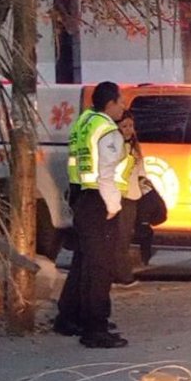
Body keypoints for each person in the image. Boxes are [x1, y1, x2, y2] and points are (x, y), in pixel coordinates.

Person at [54, 81, 129, 348]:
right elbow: (106, 173)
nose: (124, 107)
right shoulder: (108, 130)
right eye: (121, 102)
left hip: (81, 197)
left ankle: (68, 317)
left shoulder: (84, 121)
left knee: (83, 263)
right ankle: (95, 329)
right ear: (110, 103)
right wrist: (113, 206)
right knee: (99, 267)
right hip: (99, 201)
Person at [111, 110, 145, 289]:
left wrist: (146, 190)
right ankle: (122, 277)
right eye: (124, 126)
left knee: (124, 237)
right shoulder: (114, 147)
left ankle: (120, 276)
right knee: (120, 239)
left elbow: (141, 171)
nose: (128, 129)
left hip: (131, 196)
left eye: (131, 126)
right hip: (118, 197)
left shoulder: (134, 146)